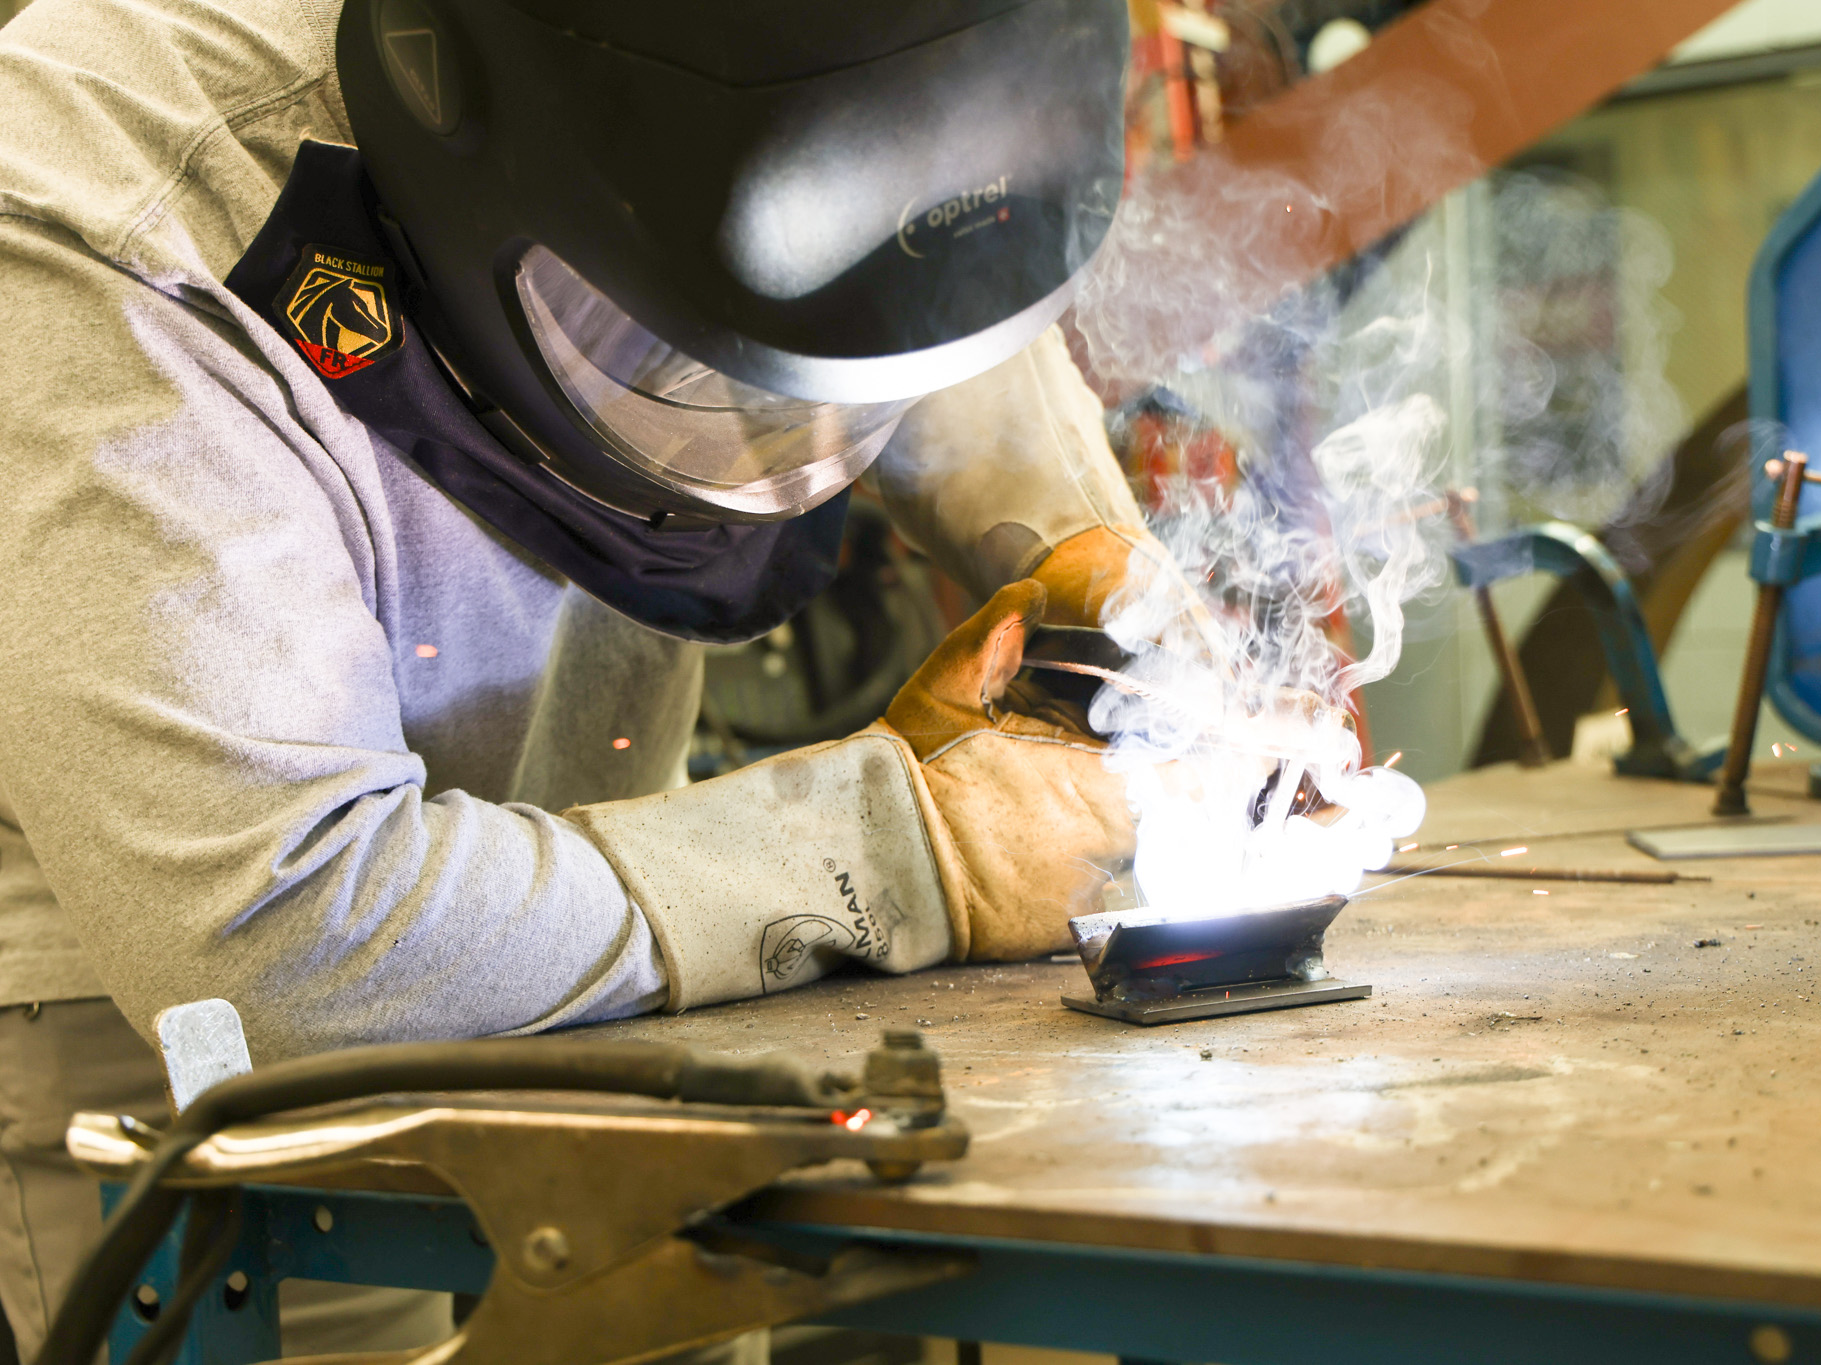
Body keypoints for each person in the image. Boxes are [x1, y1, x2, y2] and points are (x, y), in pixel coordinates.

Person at [0, 0, 1174, 1354]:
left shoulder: (792, 79)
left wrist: (1092, 561)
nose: (790, 445)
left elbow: (909, 265)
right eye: (693, 368)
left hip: (629, 935)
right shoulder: (104, 197)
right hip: (198, 1038)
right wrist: (906, 850)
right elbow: (275, 944)